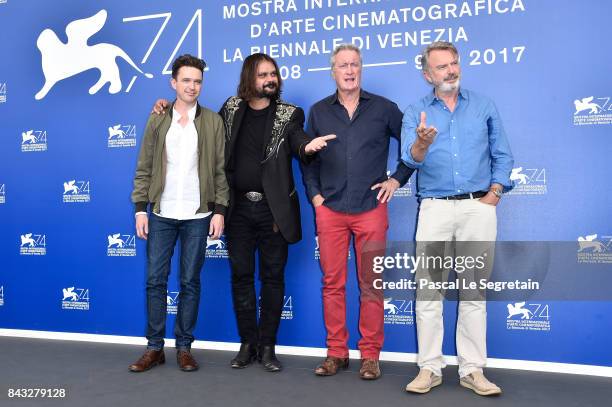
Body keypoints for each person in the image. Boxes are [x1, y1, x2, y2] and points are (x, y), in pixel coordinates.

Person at [153, 53, 334, 372]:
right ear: (250, 79)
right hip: (236, 210)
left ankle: (268, 347)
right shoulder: (232, 108)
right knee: (241, 277)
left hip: (274, 211)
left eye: (274, 74)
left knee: (273, 278)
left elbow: (297, 141)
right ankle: (248, 343)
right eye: (263, 74)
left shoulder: (290, 113)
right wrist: (166, 107)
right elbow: (200, 126)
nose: (271, 79)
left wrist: (308, 147)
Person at [401, 41, 513, 395]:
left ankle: (473, 370)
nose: (451, 71)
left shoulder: (483, 106)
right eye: (441, 67)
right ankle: (429, 368)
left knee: (474, 292)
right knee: (429, 291)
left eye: (454, 63)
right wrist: (422, 142)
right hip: (434, 208)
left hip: (476, 207)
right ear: (427, 74)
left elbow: (503, 154)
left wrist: (494, 194)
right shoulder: (415, 112)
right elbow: (411, 159)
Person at [302, 43, 413, 380]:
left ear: (361, 69)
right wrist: (316, 198)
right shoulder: (319, 112)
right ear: (333, 71)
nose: (349, 71)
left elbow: (413, 147)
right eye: (342, 65)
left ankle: (370, 355)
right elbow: (308, 158)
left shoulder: (384, 108)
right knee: (332, 284)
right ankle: (337, 352)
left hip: (370, 209)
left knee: (372, 284)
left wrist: (397, 179)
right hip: (331, 210)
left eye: (354, 65)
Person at [128, 54, 229, 373]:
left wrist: (219, 210)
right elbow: (144, 167)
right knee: (155, 281)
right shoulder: (158, 117)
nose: (192, 86)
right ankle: (154, 348)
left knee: (190, 282)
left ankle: (184, 348)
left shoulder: (212, 120)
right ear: (174, 83)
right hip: (161, 213)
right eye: (186, 80)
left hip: (199, 216)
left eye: (197, 81)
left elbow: (220, 171)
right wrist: (140, 209)